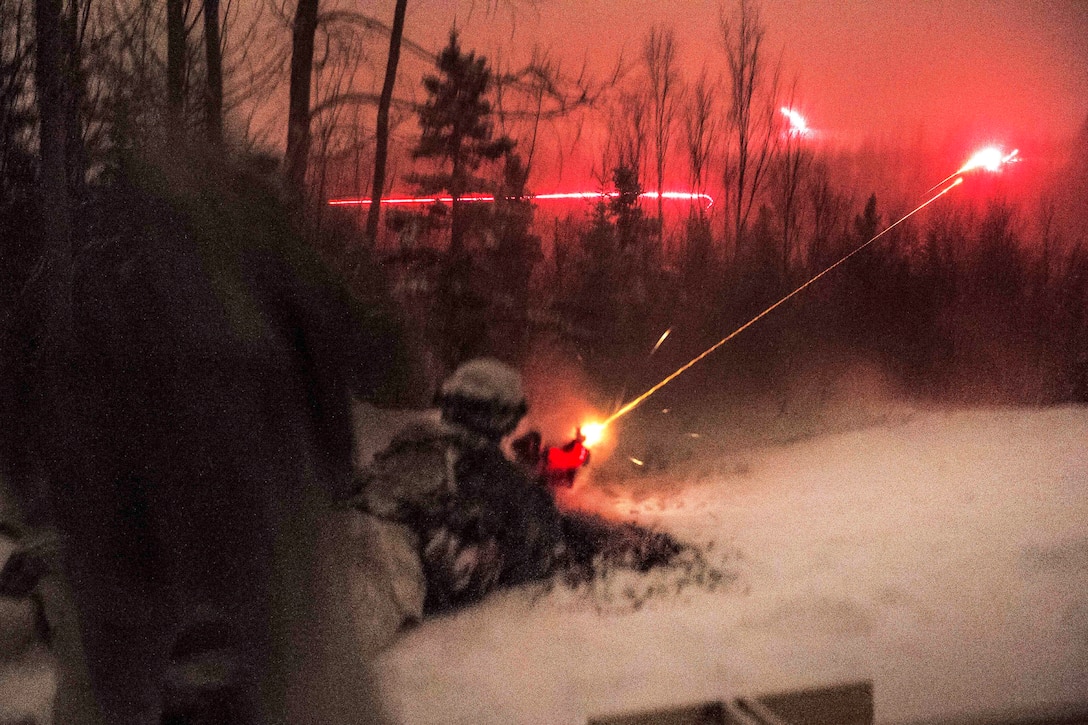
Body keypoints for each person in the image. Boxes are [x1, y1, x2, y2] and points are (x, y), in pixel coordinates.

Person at [342, 358, 562, 653]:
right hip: (385, 577)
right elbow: (542, 537)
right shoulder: (481, 465)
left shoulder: (414, 440)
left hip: (341, 543)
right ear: (501, 417)